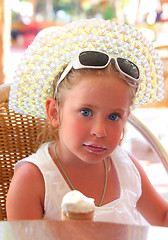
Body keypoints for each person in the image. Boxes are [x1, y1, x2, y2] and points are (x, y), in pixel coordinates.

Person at [6, 18, 168, 226]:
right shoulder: (34, 180)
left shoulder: (126, 167)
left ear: (125, 118)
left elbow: (163, 218)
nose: (100, 131)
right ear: (55, 112)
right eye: (86, 112)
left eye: (113, 117)